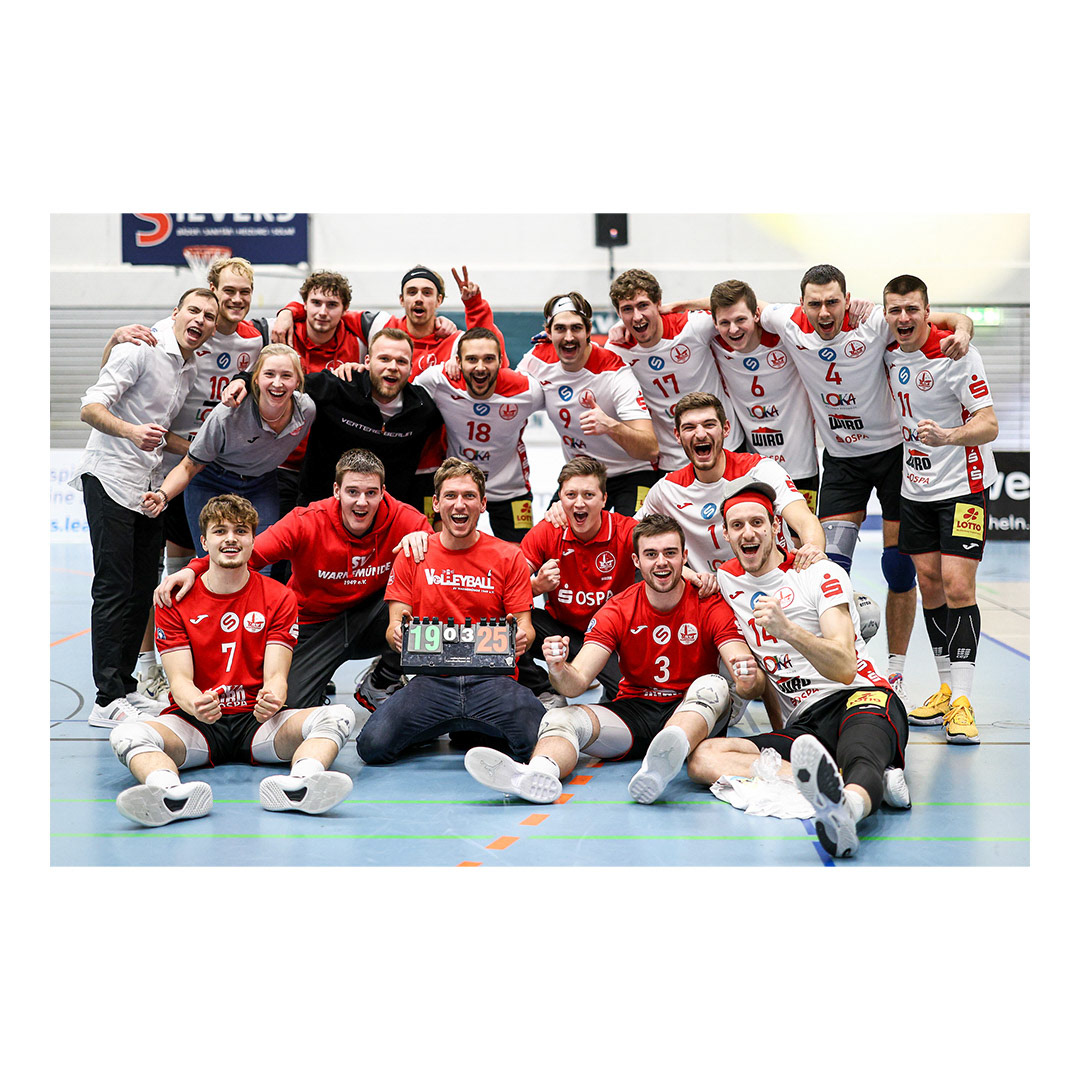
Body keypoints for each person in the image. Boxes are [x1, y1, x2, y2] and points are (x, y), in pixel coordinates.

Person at [759, 264, 974, 703]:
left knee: (899, 568)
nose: (824, 312)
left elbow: (949, 318)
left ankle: (895, 672)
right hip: (841, 461)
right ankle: (838, 665)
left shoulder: (874, 319)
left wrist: (965, 331)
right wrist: (670, 309)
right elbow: (732, 306)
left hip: (894, 455)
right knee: (828, 566)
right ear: (802, 304)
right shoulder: (786, 321)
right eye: (815, 303)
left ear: (847, 299)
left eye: (832, 302)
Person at [685, 478, 911, 858]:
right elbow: (664, 564)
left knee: (861, 755)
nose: (748, 533)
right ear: (726, 534)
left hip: (859, 695)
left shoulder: (819, 573)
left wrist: (787, 629)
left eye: (757, 522)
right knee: (704, 757)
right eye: (737, 525)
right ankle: (829, 780)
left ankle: (847, 812)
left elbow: (844, 666)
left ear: (776, 527)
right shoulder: (727, 580)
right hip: (805, 722)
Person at [462, 514, 753, 805]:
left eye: (670, 553)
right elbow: (577, 683)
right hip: (637, 712)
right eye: (651, 554)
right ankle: (537, 774)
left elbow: (739, 662)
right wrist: (558, 668)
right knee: (559, 717)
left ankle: (663, 760)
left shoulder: (708, 602)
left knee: (714, 684)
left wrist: (746, 674)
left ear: (684, 557)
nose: (661, 562)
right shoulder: (618, 608)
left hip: (693, 710)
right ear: (636, 561)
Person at [110, 495, 356, 827]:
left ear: (253, 539)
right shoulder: (175, 600)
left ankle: (300, 785)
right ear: (204, 541)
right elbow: (180, 681)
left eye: (240, 531)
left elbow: (277, 675)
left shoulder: (279, 596)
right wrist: (197, 704)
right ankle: (170, 794)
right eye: (220, 531)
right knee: (125, 734)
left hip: (258, 722)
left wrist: (273, 698)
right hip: (196, 723)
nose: (230, 539)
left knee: (339, 716)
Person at [102, 256, 270, 700]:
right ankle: (147, 667)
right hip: (167, 463)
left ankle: (210, 663)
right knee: (158, 573)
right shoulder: (177, 331)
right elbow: (115, 374)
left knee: (205, 567)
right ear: (211, 290)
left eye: (244, 292)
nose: (236, 299)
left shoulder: (256, 339)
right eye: (227, 290)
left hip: (209, 465)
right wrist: (114, 339)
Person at [154, 450, 433, 712]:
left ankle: (385, 677)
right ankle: (315, 684)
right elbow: (250, 552)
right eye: (352, 492)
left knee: (426, 581)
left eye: (371, 493)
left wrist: (427, 542)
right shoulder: (306, 521)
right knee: (289, 706)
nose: (362, 502)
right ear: (336, 491)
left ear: (383, 492)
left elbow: (444, 570)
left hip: (372, 619)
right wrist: (194, 568)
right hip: (313, 625)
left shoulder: (406, 520)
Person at [71, 287, 220, 727]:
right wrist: (131, 432)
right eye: (193, 310)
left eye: (209, 316)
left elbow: (161, 433)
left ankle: (125, 686)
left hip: (148, 487)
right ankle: (105, 699)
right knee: (114, 587)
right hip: (109, 479)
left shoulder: (189, 366)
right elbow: (90, 407)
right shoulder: (140, 347)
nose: (200, 320)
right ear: (176, 313)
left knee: (141, 589)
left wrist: (202, 450)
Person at [355, 459, 547, 765]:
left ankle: (469, 728)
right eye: (450, 496)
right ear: (436, 504)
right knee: (372, 745)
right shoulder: (413, 555)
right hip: (432, 682)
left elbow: (526, 626)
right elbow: (393, 628)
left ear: (483, 504)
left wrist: (522, 637)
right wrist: (398, 635)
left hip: (492, 681)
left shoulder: (509, 556)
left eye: (469, 496)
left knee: (541, 740)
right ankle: (452, 726)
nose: (460, 504)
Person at [882, 275, 999, 744]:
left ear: (928, 312)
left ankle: (965, 701)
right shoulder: (888, 352)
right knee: (928, 583)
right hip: (915, 489)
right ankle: (946, 689)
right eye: (895, 310)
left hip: (963, 487)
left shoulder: (957, 354)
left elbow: (989, 425)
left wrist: (948, 437)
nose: (903, 318)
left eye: (912, 309)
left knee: (957, 585)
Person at [222, 328, 444, 513]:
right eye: (384, 359)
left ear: (411, 367)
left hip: (383, 517)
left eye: (401, 361)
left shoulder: (423, 408)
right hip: (319, 510)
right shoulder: (339, 387)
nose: (392, 367)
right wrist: (242, 380)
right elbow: (285, 382)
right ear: (367, 361)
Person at [141, 344, 314, 555]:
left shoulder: (306, 410)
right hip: (212, 480)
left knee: (262, 559)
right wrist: (162, 495)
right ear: (255, 379)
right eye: (269, 374)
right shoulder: (228, 414)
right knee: (214, 559)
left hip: (262, 483)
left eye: (286, 376)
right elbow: (189, 466)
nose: (277, 383)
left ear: (298, 381)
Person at [637, 392, 825, 575]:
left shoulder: (760, 470)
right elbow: (631, 537)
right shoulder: (667, 489)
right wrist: (685, 573)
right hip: (712, 591)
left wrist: (813, 550)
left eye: (709, 425)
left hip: (778, 580)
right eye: (689, 427)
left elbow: (804, 520)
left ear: (726, 429)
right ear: (677, 435)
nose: (700, 434)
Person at [518, 292, 660, 515]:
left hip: (633, 472)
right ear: (548, 332)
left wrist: (611, 426)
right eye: (560, 329)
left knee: (632, 533)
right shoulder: (537, 359)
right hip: (583, 475)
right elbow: (501, 393)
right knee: (550, 530)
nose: (568, 337)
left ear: (588, 331)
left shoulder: (614, 372)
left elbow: (650, 449)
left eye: (576, 328)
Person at [516, 457, 638, 703]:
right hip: (561, 633)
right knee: (506, 623)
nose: (579, 503)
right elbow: (507, 588)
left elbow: (663, 561)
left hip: (610, 639)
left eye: (588, 495)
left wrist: (696, 576)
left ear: (604, 499)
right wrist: (536, 586)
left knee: (629, 698)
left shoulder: (627, 530)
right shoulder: (548, 530)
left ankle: (608, 695)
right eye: (571, 495)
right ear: (560, 499)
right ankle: (546, 692)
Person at [604, 267, 746, 470]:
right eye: (627, 309)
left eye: (643, 306)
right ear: (618, 313)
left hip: (726, 446)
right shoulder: (617, 348)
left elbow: (738, 303)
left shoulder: (691, 327)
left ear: (658, 304)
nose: (637, 317)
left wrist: (683, 304)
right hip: (672, 460)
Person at [413, 327, 545, 542]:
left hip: (509, 488)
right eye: (472, 359)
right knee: (444, 548)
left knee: (519, 555)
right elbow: (401, 394)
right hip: (457, 485)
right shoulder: (439, 380)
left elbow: (563, 395)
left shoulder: (527, 390)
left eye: (489, 359)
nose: (481, 367)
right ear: (458, 361)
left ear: (501, 361)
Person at [708, 279, 820, 513]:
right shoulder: (715, 342)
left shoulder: (784, 337)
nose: (733, 330)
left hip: (800, 466)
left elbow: (820, 312)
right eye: (725, 322)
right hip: (752, 467)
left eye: (741, 320)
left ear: (757, 315)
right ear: (715, 323)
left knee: (801, 532)